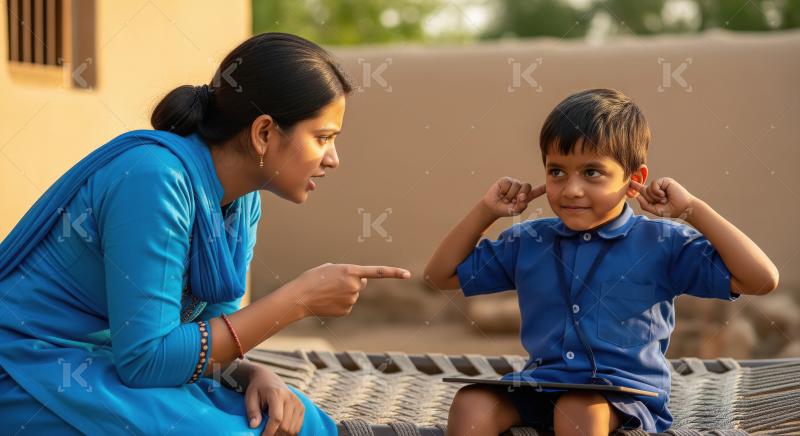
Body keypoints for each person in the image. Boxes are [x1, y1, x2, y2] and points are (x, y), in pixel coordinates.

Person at [0, 32, 411, 435]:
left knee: (296, 420)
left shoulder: (242, 202)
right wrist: (297, 300)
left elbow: (207, 339)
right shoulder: (154, 179)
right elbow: (146, 361)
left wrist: (251, 374)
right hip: (33, 366)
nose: (333, 159)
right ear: (264, 133)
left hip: (112, 365)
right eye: (323, 138)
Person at [424, 88, 779, 435]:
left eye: (591, 172)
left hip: (624, 396)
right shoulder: (529, 241)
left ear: (634, 180)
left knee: (577, 409)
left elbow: (761, 279)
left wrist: (692, 210)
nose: (571, 189)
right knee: (471, 402)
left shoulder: (661, 243)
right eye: (557, 171)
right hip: (540, 385)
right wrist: (486, 211)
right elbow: (440, 276)